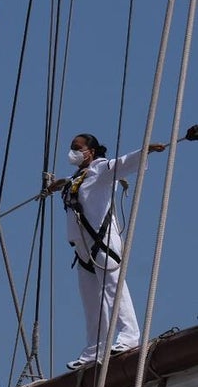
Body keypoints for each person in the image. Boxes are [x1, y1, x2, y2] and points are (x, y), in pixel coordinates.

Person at [44, 133, 164, 370]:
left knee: (113, 289)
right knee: (91, 300)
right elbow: (74, 184)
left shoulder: (101, 169)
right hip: (82, 249)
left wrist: (144, 151)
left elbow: (122, 164)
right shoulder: (77, 178)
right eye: (71, 147)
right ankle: (94, 349)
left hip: (102, 243)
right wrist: (59, 184)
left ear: (91, 151)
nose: (73, 152)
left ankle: (129, 336)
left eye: (77, 148)